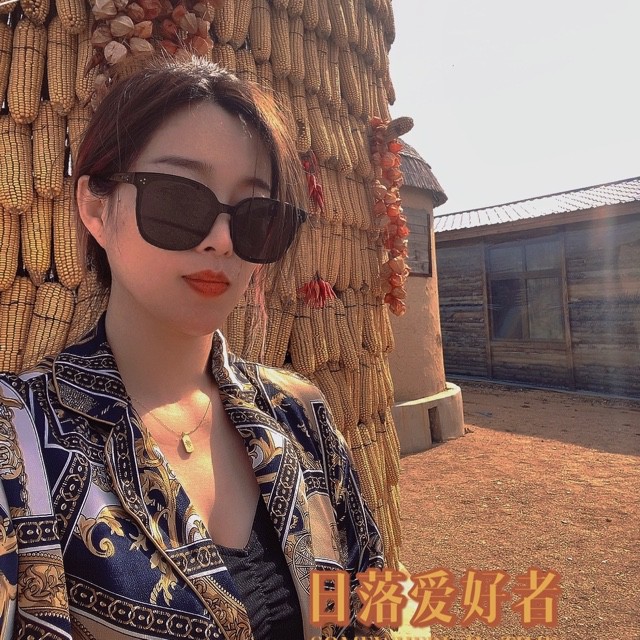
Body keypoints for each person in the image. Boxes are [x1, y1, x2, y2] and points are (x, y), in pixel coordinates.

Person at [0, 56, 390, 640]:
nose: (222, 240)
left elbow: (362, 606)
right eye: (180, 201)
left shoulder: (300, 415)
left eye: (256, 216)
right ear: (96, 208)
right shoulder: (18, 444)